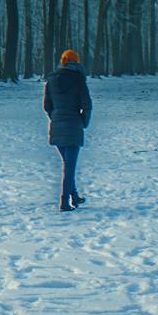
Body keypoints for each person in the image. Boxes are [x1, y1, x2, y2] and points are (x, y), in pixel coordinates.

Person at [43, 49, 92, 211]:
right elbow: (87, 106)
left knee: (68, 164)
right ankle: (64, 202)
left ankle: (75, 196)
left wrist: (55, 117)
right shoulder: (78, 80)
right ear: (76, 62)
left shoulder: (51, 80)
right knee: (69, 167)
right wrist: (83, 122)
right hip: (73, 125)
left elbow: (47, 106)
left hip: (57, 125)